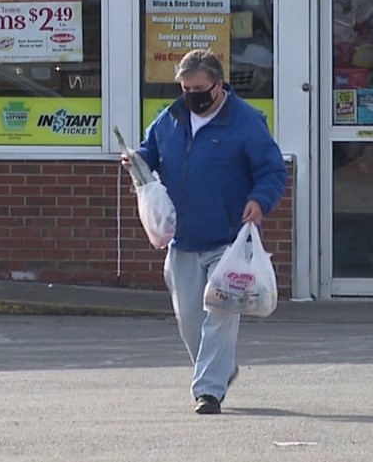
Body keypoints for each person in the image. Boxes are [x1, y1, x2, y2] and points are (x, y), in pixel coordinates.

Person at [122, 49, 287, 415]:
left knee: (221, 313)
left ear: (218, 83)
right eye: (185, 88)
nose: (192, 95)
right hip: (183, 238)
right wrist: (138, 160)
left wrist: (260, 201)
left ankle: (208, 392)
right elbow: (153, 150)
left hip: (228, 239)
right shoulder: (171, 117)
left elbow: (272, 170)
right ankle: (221, 369)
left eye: (198, 88)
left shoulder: (245, 121)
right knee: (190, 322)